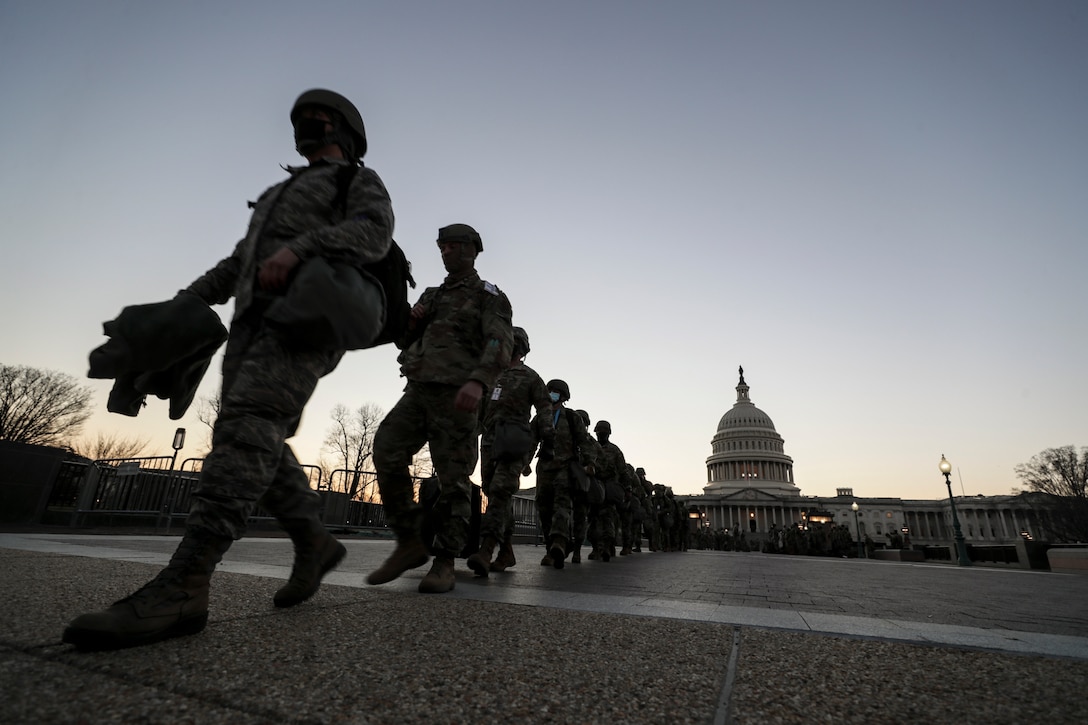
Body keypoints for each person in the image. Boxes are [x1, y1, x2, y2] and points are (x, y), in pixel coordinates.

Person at [63, 88, 395, 651]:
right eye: (298, 121)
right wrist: (185, 302)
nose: (303, 127)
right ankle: (313, 539)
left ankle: (187, 582)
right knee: (251, 433)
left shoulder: (355, 182)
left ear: (344, 129)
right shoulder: (278, 192)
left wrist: (301, 249)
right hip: (250, 328)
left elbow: (374, 232)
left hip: (304, 321)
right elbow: (242, 260)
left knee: (246, 430)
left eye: (316, 119)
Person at [366, 223, 514, 593]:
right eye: (442, 246)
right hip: (418, 389)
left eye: (453, 246)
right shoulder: (431, 295)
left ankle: (445, 561)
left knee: (453, 481)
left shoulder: (488, 295)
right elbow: (404, 339)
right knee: (386, 447)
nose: (446, 252)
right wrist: (407, 320)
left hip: (458, 395)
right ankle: (409, 540)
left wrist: (479, 381)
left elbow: (500, 340)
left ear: (472, 250)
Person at [465, 326, 553, 576]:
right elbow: (478, 408)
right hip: (489, 441)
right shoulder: (491, 375)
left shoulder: (530, 376)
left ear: (522, 349)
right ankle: (506, 551)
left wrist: (547, 435)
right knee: (493, 494)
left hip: (514, 439)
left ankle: (486, 549)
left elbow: (544, 404)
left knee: (501, 490)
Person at [534, 379, 597, 568]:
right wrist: (524, 463)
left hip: (564, 468)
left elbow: (584, 441)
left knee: (562, 505)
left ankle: (560, 542)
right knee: (544, 509)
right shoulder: (540, 417)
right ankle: (550, 550)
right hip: (544, 469)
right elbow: (531, 441)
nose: (552, 393)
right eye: (550, 390)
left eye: (556, 391)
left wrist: (590, 463)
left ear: (563, 396)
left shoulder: (571, 417)